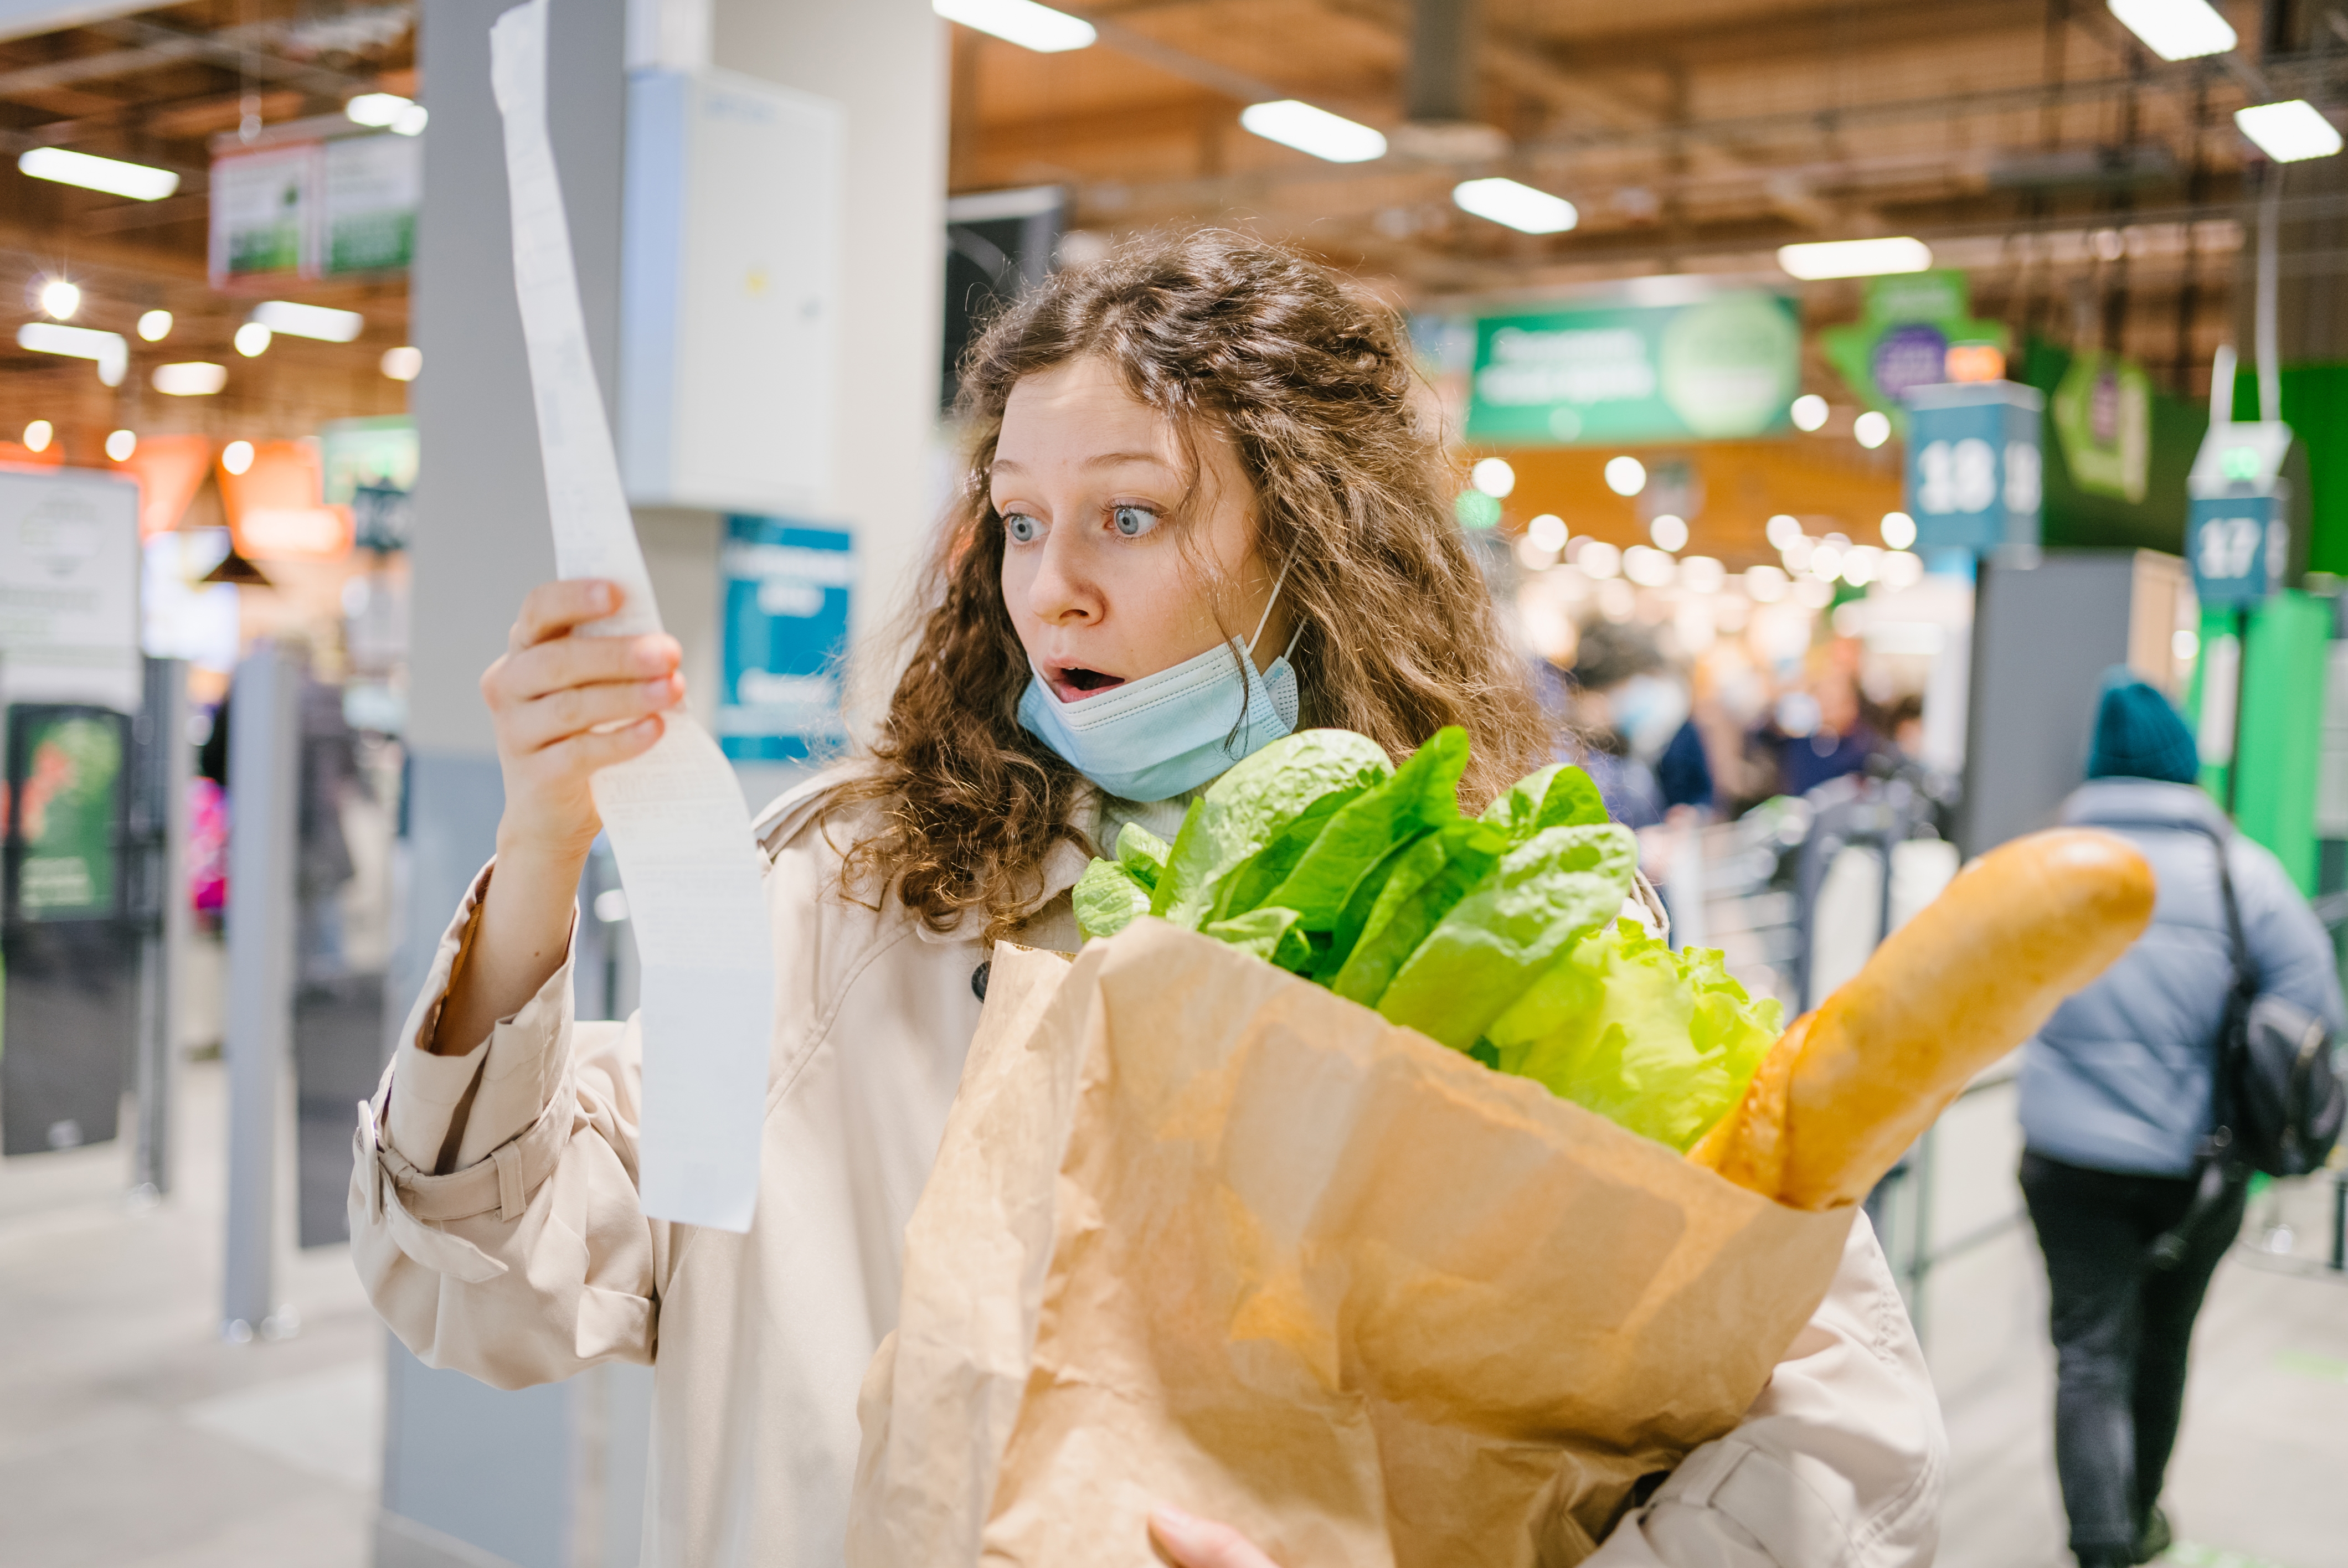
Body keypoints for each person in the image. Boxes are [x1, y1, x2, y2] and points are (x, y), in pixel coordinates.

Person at [351, 231, 1945, 1567]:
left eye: (1132, 514)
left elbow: (1838, 1431)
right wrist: (547, 846)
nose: (1053, 587)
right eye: (1022, 524)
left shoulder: (1512, 926)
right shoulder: (852, 897)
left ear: (1316, 543)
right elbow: (484, 1279)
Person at [2016, 671, 2343, 1568]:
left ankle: (2099, 1545)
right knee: (2162, 1344)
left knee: (2087, 1353)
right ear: (2184, 764)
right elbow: (2318, 1017)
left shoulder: (2043, 865)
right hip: (2195, 1167)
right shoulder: (2246, 877)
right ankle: (2143, 1512)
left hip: (2064, 1159)